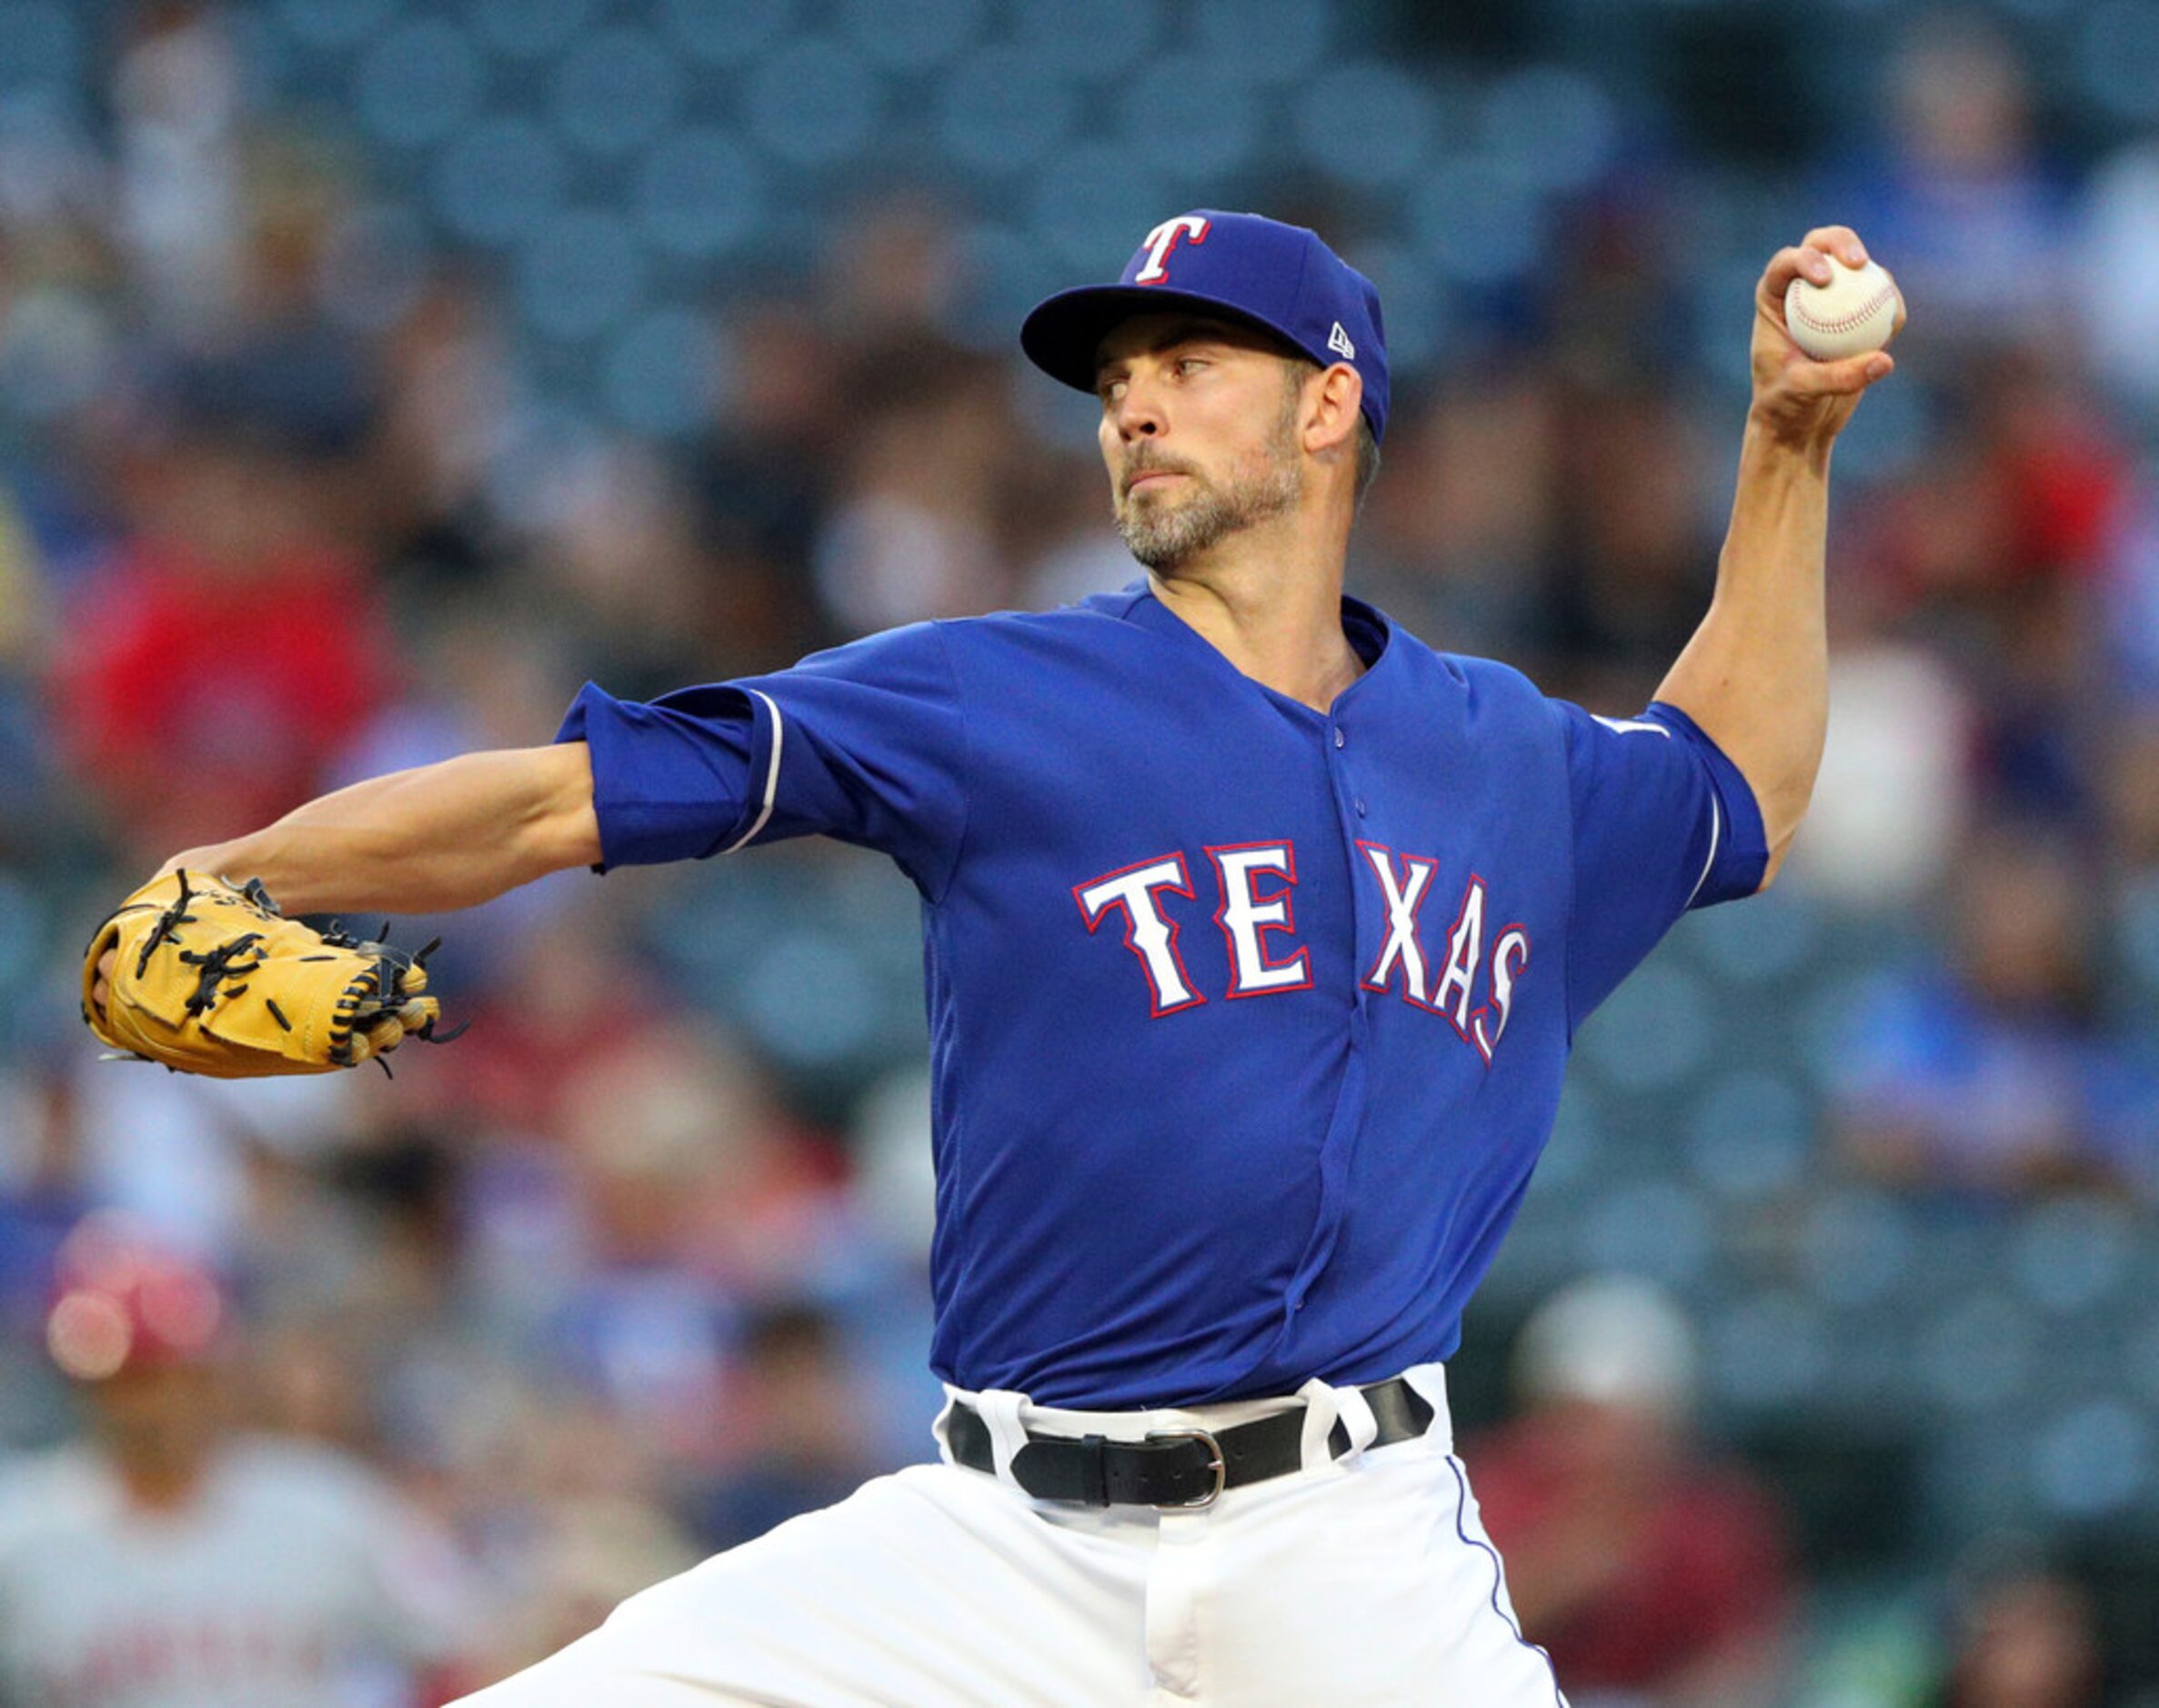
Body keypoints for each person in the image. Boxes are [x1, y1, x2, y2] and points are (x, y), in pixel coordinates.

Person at [90, 209, 1900, 1703]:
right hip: (995, 1550)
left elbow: (1735, 778)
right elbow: (566, 802)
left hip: (1344, 1553)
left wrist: (1786, 447)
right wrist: (243, 860)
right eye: (1116, 383)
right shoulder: (989, 698)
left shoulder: (1504, 762)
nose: (1133, 410)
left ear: (1328, 405)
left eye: (1188, 367)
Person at [0, 1215, 477, 1706]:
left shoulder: (328, 1505)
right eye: (131, 1382)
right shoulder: (23, 1534)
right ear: (84, 1390)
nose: (155, 1405)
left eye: (176, 1376)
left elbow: (450, 1654)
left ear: (217, 1376)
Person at [1464, 1276, 1794, 1707]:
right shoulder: (1480, 1492)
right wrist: (1555, 1571)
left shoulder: (1712, 1515)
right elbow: (1445, 1641)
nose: (1600, 1446)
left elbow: (1751, 1658)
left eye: (1623, 1424)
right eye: (1577, 1419)